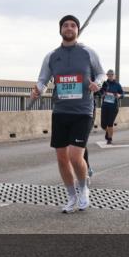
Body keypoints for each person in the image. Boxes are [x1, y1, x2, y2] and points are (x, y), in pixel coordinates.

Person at [32, 15, 105, 213]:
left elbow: (101, 73)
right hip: (60, 111)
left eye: (73, 25)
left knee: (74, 156)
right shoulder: (51, 56)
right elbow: (43, 80)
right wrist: (39, 89)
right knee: (62, 158)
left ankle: (83, 189)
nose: (69, 28)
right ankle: (71, 196)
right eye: (65, 25)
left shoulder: (88, 52)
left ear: (77, 30)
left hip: (83, 111)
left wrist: (96, 84)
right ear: (60, 30)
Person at [98, 69, 125, 144]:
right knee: (103, 125)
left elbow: (123, 94)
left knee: (110, 123)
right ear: (107, 75)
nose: (110, 76)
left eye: (112, 75)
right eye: (109, 75)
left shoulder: (117, 84)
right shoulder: (104, 83)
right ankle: (109, 132)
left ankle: (109, 139)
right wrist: (102, 94)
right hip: (105, 106)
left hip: (113, 107)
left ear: (114, 76)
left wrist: (119, 95)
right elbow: (100, 92)